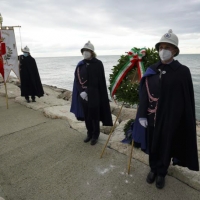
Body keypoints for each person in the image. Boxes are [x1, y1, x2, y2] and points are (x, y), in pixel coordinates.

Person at [133, 29, 199, 189]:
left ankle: (162, 172)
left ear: (175, 51)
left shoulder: (182, 72)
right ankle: (153, 169)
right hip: (151, 117)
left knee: (166, 145)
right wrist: (141, 114)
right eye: (161, 47)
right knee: (153, 144)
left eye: (168, 48)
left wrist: (181, 119)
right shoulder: (152, 69)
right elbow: (144, 94)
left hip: (170, 119)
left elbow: (187, 99)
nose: (164, 51)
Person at [70, 41, 113, 145]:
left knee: (94, 116)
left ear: (92, 52)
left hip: (94, 94)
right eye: (84, 51)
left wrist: (88, 91)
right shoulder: (81, 64)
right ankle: (89, 133)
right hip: (83, 95)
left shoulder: (98, 64)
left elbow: (98, 81)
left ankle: (95, 135)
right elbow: (77, 79)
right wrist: (81, 92)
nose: (85, 52)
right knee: (87, 116)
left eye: (87, 51)